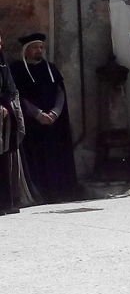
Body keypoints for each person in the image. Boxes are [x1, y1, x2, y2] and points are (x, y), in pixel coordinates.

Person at [10, 33, 78, 203]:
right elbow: (18, 96)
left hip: (53, 125)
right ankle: (40, 194)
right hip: (33, 126)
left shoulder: (51, 68)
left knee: (56, 159)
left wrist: (55, 113)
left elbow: (60, 93)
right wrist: (38, 114)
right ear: (26, 51)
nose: (38, 51)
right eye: (34, 48)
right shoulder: (17, 70)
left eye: (41, 47)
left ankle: (61, 192)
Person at [1, 31, 33, 215]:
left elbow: (10, 90)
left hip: (6, 123)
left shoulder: (3, 64)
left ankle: (8, 202)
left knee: (8, 163)